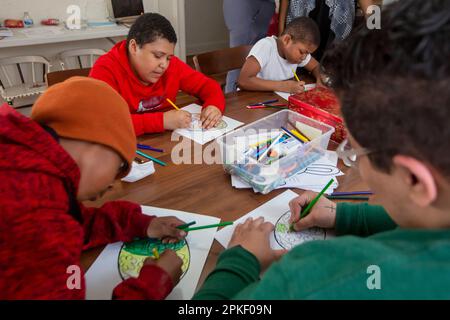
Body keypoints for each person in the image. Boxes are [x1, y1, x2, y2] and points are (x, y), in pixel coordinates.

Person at [194, 0, 450, 299]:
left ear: (416, 180)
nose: (352, 162)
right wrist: (345, 216)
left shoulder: (319, 276)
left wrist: (239, 260)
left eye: (354, 153)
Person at [0, 77, 188, 299]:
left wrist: (143, 224)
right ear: (97, 142)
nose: (112, 184)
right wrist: (153, 284)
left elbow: (72, 223)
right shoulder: (31, 207)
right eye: (119, 167)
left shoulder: (25, 168)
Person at [90, 13, 225, 136]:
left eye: (168, 58)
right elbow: (103, 123)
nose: (164, 65)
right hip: (126, 146)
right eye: (157, 56)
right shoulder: (106, 69)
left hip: (164, 141)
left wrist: (214, 105)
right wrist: (162, 121)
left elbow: (209, 86)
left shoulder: (172, 66)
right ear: (134, 47)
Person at [238, 17, 322, 94]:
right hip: (251, 100)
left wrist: (320, 80)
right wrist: (283, 86)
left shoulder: (296, 56)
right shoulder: (266, 46)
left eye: (307, 54)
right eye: (302, 52)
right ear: (287, 40)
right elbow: (244, 80)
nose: (304, 58)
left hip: (275, 100)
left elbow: (316, 66)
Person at [278, 0, 380, 60]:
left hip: (334, 36)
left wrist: (378, 33)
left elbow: (371, 5)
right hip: (300, 32)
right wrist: (281, 29)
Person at [223, 0, 276, 93]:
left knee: (259, 58)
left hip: (268, 4)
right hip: (241, 3)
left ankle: (250, 102)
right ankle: (231, 100)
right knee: (237, 59)